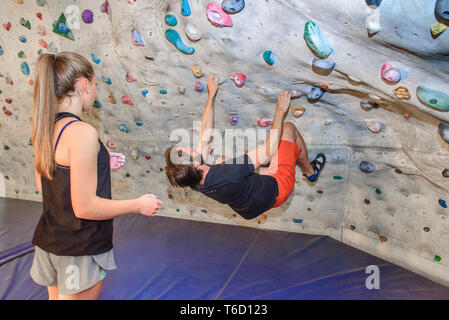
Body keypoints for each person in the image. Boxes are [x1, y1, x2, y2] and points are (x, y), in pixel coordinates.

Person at [30, 52, 162, 300]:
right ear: (83, 84)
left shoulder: (47, 127)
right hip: (78, 246)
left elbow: (44, 182)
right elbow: (85, 207)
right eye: (95, 85)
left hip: (50, 241)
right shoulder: (82, 132)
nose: (95, 92)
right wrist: (138, 204)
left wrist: (95, 164)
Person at [165, 74, 325, 220]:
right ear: (195, 164)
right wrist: (280, 111)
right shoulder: (229, 172)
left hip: (248, 207)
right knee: (288, 129)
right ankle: (310, 171)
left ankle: (262, 165)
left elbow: (205, 130)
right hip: (277, 190)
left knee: (223, 159)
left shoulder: (192, 179)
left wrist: (211, 95)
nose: (192, 148)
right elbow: (270, 148)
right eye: (189, 151)